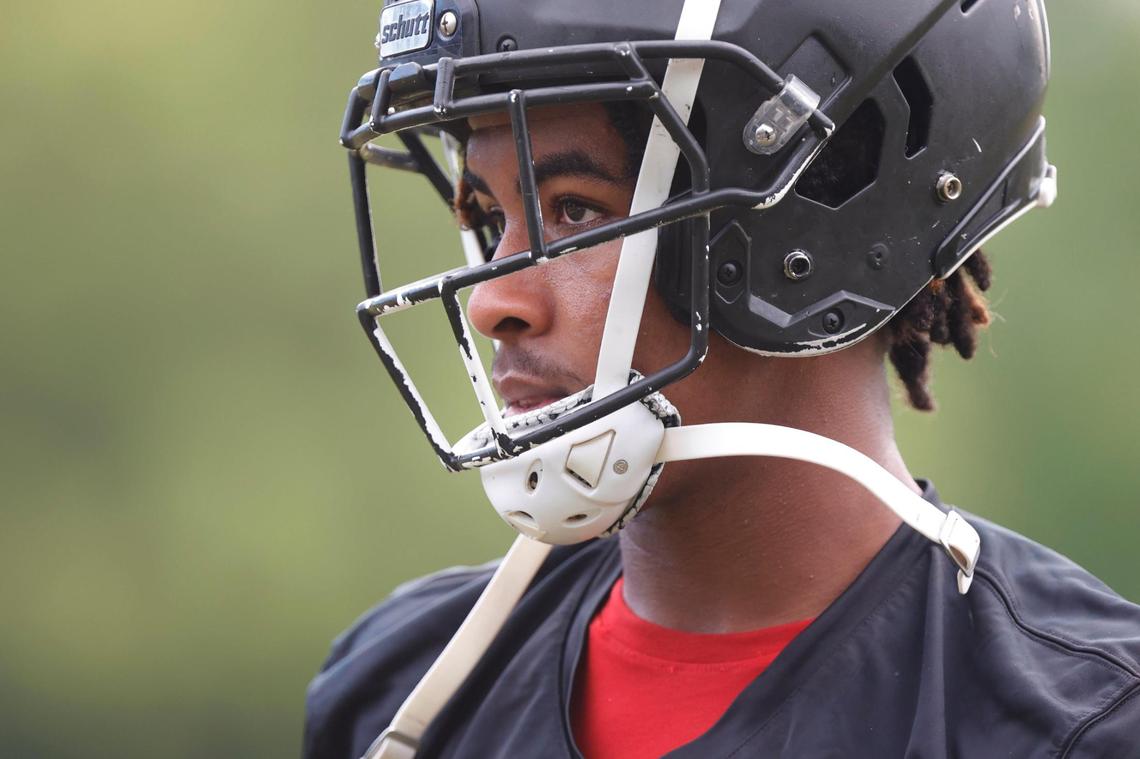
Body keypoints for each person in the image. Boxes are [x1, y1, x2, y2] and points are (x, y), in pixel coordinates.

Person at [306, 1, 1140, 756]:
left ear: (809, 227)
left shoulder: (1078, 723)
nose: (493, 300)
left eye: (575, 209)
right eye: (490, 219)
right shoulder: (396, 687)